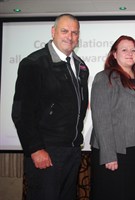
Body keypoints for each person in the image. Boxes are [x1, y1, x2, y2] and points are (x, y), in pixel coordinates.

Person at [11, 14, 89, 200]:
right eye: (64, 31)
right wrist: (36, 149)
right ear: (53, 32)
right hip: (46, 151)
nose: (69, 37)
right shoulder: (34, 63)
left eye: (74, 32)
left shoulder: (81, 66)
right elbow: (21, 113)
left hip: (71, 151)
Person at [89, 35, 135, 200]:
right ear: (114, 54)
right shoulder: (105, 77)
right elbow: (101, 118)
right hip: (115, 151)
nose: (130, 53)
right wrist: (109, 154)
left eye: (133, 50)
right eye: (124, 49)